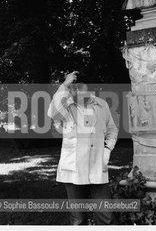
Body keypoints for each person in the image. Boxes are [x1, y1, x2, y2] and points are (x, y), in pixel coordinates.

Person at [47, 71, 118, 225]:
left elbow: (112, 129)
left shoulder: (102, 105)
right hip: (74, 169)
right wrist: (64, 84)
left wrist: (107, 149)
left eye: (79, 88)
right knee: (78, 218)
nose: (76, 91)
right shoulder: (66, 107)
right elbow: (52, 112)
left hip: (97, 166)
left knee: (105, 215)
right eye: (72, 88)